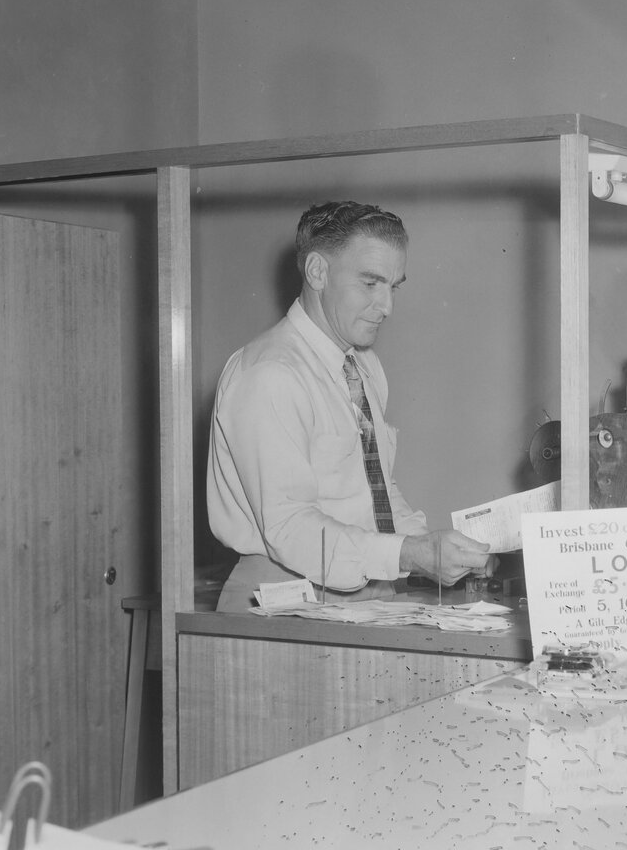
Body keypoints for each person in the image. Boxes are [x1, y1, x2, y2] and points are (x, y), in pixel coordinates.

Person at [207, 201, 493, 612]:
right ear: (318, 272)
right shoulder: (270, 373)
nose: (387, 306)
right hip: (283, 597)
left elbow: (374, 490)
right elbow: (289, 527)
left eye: (393, 286)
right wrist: (410, 554)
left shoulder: (364, 367)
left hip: (368, 591)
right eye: (370, 283)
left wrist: (437, 548)